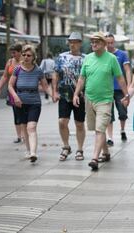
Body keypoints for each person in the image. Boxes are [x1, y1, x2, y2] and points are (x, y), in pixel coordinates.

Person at [73, 32, 129, 171]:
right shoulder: (88, 58)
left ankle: (94, 158)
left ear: (104, 44)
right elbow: (81, 78)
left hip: (105, 100)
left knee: (100, 129)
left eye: (96, 41)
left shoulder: (111, 59)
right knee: (97, 130)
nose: (93, 44)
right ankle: (106, 152)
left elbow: (120, 78)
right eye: (92, 42)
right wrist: (76, 94)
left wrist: (126, 94)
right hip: (89, 99)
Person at [8, 44, 51, 163]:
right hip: (20, 103)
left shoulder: (38, 70)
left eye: (29, 55)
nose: (26, 57)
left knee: (31, 127)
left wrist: (53, 95)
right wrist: (15, 97)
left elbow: (45, 86)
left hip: (34, 103)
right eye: (24, 54)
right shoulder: (17, 69)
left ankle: (33, 152)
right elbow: (10, 85)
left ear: (33, 57)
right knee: (24, 128)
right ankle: (28, 150)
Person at [52, 32, 86, 161]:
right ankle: (66, 146)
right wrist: (54, 91)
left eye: (75, 41)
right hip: (64, 95)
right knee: (62, 122)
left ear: (80, 43)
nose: (72, 44)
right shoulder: (61, 57)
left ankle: (80, 149)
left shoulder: (86, 58)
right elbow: (55, 74)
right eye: (71, 41)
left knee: (79, 124)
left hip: (81, 96)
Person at [104, 33, 132, 146]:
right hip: (106, 89)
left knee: (122, 112)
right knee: (108, 114)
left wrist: (129, 86)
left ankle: (122, 130)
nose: (110, 45)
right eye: (107, 43)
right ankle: (110, 137)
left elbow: (128, 70)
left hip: (120, 89)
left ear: (114, 42)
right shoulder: (103, 55)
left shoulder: (122, 54)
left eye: (111, 42)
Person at [0, 43, 24, 144]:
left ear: (20, 52)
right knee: (16, 113)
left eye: (14, 52)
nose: (13, 55)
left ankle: (25, 135)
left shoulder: (25, 61)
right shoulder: (10, 62)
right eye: (12, 53)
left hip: (23, 90)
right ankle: (19, 136)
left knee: (24, 112)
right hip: (12, 90)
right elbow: (4, 76)